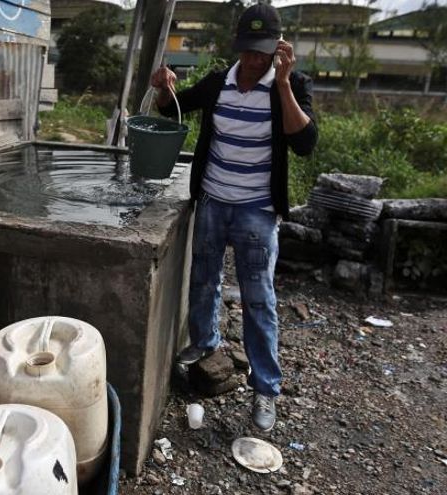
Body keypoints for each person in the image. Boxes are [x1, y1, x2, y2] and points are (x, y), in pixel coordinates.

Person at [151, 3, 317, 431]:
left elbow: (305, 143)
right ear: (238, 46)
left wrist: (281, 85)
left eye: (263, 52)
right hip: (213, 202)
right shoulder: (216, 82)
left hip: (257, 212)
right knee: (204, 278)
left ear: (279, 50)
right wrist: (161, 86)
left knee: (258, 299)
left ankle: (266, 389)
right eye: (248, 51)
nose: (254, 60)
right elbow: (170, 108)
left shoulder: (293, 84)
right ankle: (204, 343)